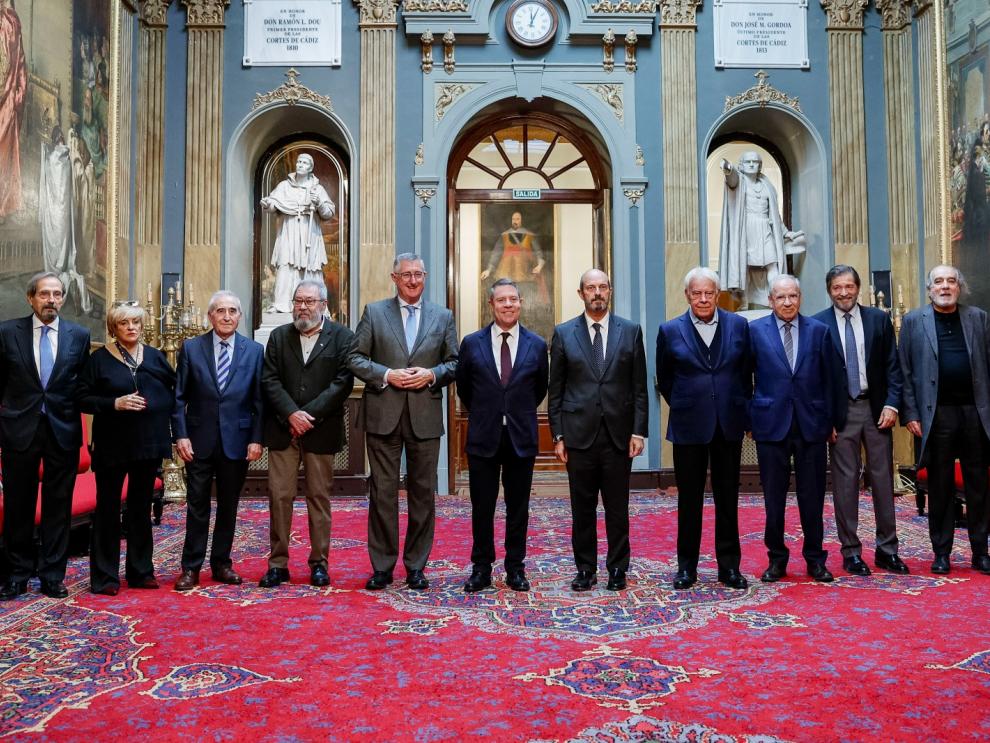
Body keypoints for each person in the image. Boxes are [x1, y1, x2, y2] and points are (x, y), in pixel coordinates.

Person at [348, 253, 458, 591]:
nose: (413, 281)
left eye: (419, 275)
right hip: (383, 414)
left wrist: (431, 374)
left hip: (424, 416)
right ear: (394, 278)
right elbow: (354, 357)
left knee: (422, 494)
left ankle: (416, 567)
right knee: (383, 493)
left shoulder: (443, 316)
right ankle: (382, 566)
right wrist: (386, 374)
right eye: (406, 275)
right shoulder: (375, 312)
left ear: (425, 277)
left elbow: (455, 363)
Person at [548, 269, 648, 592]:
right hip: (578, 436)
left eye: (602, 286)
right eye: (591, 288)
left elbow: (639, 388)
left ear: (610, 290)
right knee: (582, 508)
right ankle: (585, 569)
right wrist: (558, 435)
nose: (597, 292)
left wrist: (639, 431)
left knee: (618, 508)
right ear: (581, 294)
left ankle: (618, 568)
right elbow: (556, 390)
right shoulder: (564, 334)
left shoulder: (630, 332)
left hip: (619, 436)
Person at [656, 267, 751, 591]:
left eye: (709, 292)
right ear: (687, 295)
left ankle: (729, 568)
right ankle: (687, 568)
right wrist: (688, 401)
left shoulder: (738, 325)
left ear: (717, 294)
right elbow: (664, 378)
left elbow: (746, 372)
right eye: (696, 293)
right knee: (690, 501)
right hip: (688, 425)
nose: (703, 298)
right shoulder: (669, 331)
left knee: (728, 499)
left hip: (728, 424)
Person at [813, 265, 909, 576]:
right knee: (845, 484)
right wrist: (825, 418)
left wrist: (893, 404)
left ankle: (887, 550)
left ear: (857, 287)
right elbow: (816, 379)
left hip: (877, 409)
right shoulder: (818, 324)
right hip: (841, 415)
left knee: (882, 480)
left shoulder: (878, 319)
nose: (843, 293)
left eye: (849, 286)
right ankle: (851, 552)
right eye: (837, 287)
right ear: (829, 290)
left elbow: (893, 367)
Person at [0, 273, 91, 600]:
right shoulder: (7, 332)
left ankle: (53, 575)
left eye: (57, 294)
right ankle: (17, 574)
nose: (51, 300)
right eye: (44, 294)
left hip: (62, 432)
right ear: (31, 298)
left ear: (63, 299)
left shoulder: (78, 335)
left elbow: (81, 386)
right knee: (18, 507)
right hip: (18, 431)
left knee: (58, 507)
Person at [456, 278, 548, 592]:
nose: (508, 305)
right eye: (501, 300)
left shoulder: (536, 344)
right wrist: (491, 411)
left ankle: (515, 569)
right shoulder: (472, 343)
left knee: (518, 507)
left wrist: (512, 411)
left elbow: (539, 389)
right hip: (484, 436)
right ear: (491, 305)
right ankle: (481, 568)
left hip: (521, 438)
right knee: (482, 507)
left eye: (513, 299)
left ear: (521, 303)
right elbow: (465, 389)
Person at [259, 280, 354, 588]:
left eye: (309, 301)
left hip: (321, 430)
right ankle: (278, 564)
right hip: (283, 429)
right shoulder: (278, 337)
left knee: (319, 498)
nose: (302, 306)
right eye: (298, 301)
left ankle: (319, 563)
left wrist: (308, 415)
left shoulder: (342, 338)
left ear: (323, 305)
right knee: (280, 497)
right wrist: (291, 414)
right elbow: (269, 380)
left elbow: (342, 384)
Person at [78, 302, 175, 595]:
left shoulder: (157, 358)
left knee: (140, 508)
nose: (131, 327)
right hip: (112, 444)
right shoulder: (99, 360)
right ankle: (105, 577)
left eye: (135, 322)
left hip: (149, 443)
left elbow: (175, 391)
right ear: (113, 328)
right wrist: (113, 403)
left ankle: (141, 571)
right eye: (124, 323)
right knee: (108, 510)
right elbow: (81, 398)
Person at [899, 265, 990, 575]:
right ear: (929, 290)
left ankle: (980, 550)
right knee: (940, 487)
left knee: (978, 486)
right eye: (939, 281)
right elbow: (905, 372)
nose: (945, 286)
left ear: (959, 287)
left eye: (951, 281)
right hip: (935, 416)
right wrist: (910, 413)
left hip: (975, 413)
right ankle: (941, 553)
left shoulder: (978, 317)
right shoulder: (913, 321)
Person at [172, 291, 264, 591]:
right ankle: (191, 567)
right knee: (197, 505)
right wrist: (181, 435)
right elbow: (179, 398)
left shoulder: (254, 351)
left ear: (240, 316)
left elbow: (259, 401)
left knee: (228, 506)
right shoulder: (191, 348)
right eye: (220, 311)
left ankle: (222, 564)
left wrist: (256, 439)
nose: (226, 316)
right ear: (210, 316)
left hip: (236, 441)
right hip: (198, 441)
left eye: (232, 311)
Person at [749, 274, 837, 583]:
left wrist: (830, 421)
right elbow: (743, 377)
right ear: (770, 300)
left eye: (793, 296)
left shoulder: (820, 332)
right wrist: (750, 417)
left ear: (800, 298)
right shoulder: (754, 331)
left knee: (812, 497)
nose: (787, 302)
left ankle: (815, 559)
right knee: (774, 499)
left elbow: (830, 380)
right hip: (770, 425)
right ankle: (777, 559)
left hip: (811, 426)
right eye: (781, 297)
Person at [718, 151, 797, 309]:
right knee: (745, 265)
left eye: (755, 161)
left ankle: (776, 298)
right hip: (745, 230)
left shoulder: (766, 184)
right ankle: (744, 302)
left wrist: (785, 232)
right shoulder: (739, 181)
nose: (752, 164)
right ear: (742, 165)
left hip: (765, 228)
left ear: (760, 165)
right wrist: (728, 169)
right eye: (748, 162)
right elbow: (731, 178)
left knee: (772, 264)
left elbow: (774, 214)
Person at [261, 154, 335, 313]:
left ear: (310, 168)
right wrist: (268, 204)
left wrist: (319, 202)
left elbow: (328, 213)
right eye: (299, 161)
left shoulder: (317, 189)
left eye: (305, 162)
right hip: (289, 232)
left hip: (310, 234)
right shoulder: (284, 186)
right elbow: (273, 202)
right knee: (286, 265)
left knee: (311, 269)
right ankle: (281, 304)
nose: (300, 164)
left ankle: (316, 306)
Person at [40, 125, 92, 315]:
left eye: (62, 137)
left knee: (64, 244)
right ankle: (71, 288)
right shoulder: (59, 157)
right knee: (62, 244)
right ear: (57, 139)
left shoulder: (59, 157)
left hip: (61, 212)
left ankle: (71, 290)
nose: (61, 140)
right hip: (59, 212)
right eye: (60, 137)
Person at [0, 0, 26, 220]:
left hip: (6, 107)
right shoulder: (12, 23)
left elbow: (19, 67)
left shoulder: (11, 23)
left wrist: (16, 99)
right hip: (8, 105)